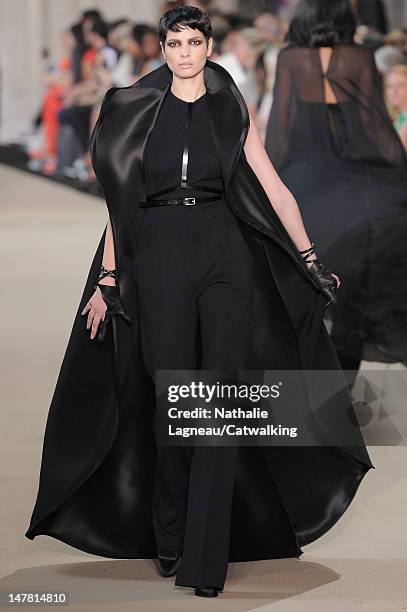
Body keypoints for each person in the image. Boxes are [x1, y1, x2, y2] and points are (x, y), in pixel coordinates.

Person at [25, 6, 374, 599]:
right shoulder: (135, 108)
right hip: (159, 257)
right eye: (174, 42)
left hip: (224, 256)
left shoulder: (230, 104)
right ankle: (170, 530)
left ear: (209, 46)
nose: (185, 52)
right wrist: (109, 281)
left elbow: (270, 182)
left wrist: (310, 259)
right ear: (162, 48)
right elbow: (121, 205)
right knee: (171, 399)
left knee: (214, 402)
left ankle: (205, 558)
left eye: (194, 41)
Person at [265, 0, 407, 373]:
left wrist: (265, 185)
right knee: (356, 297)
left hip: (306, 181)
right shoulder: (359, 55)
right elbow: (374, 124)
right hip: (357, 180)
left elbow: (281, 126)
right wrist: (398, 172)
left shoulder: (290, 58)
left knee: (301, 291)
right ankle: (344, 394)